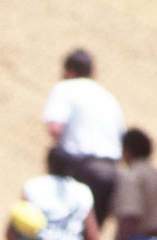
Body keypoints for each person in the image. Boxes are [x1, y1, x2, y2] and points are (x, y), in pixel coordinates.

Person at [42, 48, 125, 227]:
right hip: (112, 173)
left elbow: (55, 129)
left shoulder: (65, 88)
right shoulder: (108, 97)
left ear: (69, 71)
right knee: (92, 230)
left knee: (70, 229)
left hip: (82, 169)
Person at [23, 148, 103, 240]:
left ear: (48, 164)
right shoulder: (82, 191)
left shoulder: (33, 185)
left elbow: (20, 222)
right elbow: (92, 235)